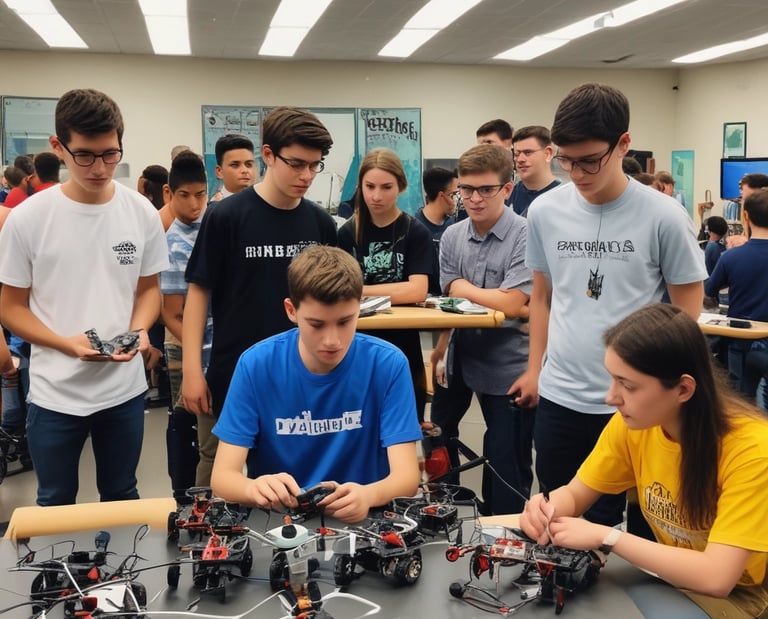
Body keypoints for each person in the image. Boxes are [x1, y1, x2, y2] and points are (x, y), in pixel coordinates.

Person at [510, 82, 707, 527]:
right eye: (566, 159)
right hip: (562, 398)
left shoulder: (664, 216)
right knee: (559, 523)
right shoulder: (545, 211)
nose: (577, 173)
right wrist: (534, 369)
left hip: (639, 405)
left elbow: (684, 321)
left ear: (623, 144)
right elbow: (541, 297)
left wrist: (666, 395)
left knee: (647, 531)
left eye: (590, 160)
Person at [521, 303, 768, 619]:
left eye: (628, 385)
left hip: (740, 596)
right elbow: (574, 494)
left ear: (683, 389)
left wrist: (607, 536)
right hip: (668, 580)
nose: (611, 397)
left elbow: (717, 577)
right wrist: (545, 508)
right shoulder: (633, 424)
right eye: (612, 379)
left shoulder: (751, 449)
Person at [0, 88, 169, 506]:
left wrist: (139, 329)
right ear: (58, 147)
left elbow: (149, 290)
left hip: (122, 389)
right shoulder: (28, 219)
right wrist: (65, 344)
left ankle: (124, 574)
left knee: (122, 493)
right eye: (85, 155)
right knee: (54, 500)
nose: (100, 167)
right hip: (55, 391)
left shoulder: (141, 213)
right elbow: (10, 308)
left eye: (110, 154)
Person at [210, 245, 422, 524]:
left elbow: (407, 477)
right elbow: (222, 478)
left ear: (360, 307)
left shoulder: (388, 364)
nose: (332, 340)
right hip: (282, 522)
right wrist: (252, 488)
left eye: (345, 321)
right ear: (291, 310)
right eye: (317, 324)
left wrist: (369, 495)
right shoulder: (255, 365)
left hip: (364, 521)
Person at [182, 106, 337, 486]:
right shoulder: (226, 217)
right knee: (217, 470)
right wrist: (191, 371)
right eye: (296, 163)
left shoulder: (321, 223)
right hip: (233, 372)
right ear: (268, 155)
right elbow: (199, 293)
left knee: (293, 471)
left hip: (302, 375)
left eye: (315, 166)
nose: (306, 176)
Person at [430, 144, 532, 515]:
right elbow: (451, 298)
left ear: (507, 189)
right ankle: (445, 513)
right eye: (466, 189)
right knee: (438, 438)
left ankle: (501, 530)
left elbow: (508, 304)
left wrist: (461, 287)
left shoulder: (525, 234)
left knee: (505, 459)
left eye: (485, 189)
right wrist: (441, 346)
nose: (474, 198)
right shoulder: (453, 235)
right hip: (460, 356)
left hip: (508, 364)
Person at [338, 148, 433, 422]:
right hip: (357, 348)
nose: (376, 196)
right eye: (369, 187)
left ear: (400, 187)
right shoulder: (346, 235)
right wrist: (395, 291)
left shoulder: (415, 232)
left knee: (405, 428)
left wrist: (359, 290)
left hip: (405, 351)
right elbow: (339, 293)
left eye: (386, 187)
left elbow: (417, 290)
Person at [159, 150, 210, 499]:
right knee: (193, 430)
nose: (194, 203)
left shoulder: (214, 227)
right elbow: (172, 313)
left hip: (218, 347)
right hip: (188, 351)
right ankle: (189, 502)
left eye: (201, 194)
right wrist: (198, 354)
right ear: (168, 194)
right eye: (184, 195)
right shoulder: (173, 244)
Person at [705, 189, 768, 398]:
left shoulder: (730, 258)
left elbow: (709, 291)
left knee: (739, 398)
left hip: (740, 336)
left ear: (746, 216)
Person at [414, 166, 458, 295]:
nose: (456, 200)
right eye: (453, 195)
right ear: (441, 195)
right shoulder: (415, 229)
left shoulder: (453, 226)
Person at [509, 125, 560, 217]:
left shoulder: (563, 197)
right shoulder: (508, 194)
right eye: (516, 154)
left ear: (548, 154)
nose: (520, 159)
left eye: (528, 153)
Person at [209, 134, 256, 202]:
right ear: (219, 171)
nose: (245, 170)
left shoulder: (261, 202)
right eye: (235, 165)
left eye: (248, 164)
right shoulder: (216, 208)